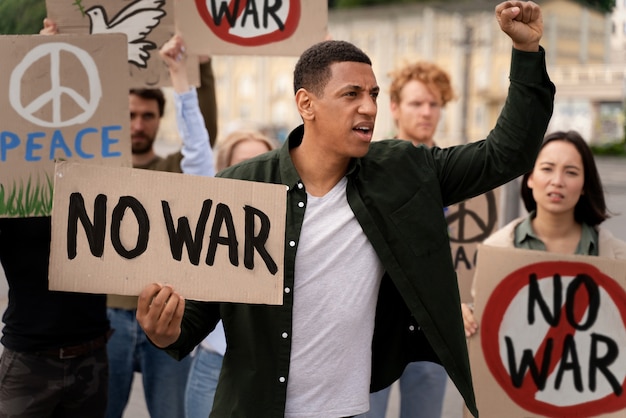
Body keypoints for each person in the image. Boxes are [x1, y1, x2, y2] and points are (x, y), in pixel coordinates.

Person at [136, 2, 554, 417]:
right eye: (351, 94)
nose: (369, 107)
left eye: (372, 94)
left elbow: (507, 154)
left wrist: (527, 54)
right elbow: (195, 319)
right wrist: (162, 329)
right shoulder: (240, 188)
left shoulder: (404, 171)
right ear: (307, 104)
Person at [105, 35, 214, 418]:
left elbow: (205, 139)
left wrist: (201, 66)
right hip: (109, 319)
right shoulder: (101, 174)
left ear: (158, 120)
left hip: (168, 313)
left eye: (147, 116)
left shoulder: (171, 170)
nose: (138, 124)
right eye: (131, 114)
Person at [461, 130, 626, 338]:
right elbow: (487, 323)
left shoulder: (618, 256)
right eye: (547, 169)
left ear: (585, 185)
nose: (557, 181)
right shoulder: (497, 249)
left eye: (571, 172)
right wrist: (467, 315)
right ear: (529, 178)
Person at [363, 61, 455, 418]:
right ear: (396, 108)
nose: (427, 112)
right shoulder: (368, 170)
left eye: (434, 104)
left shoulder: (456, 173)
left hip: (432, 324)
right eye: (417, 103)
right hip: (375, 321)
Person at [185, 129, 279, 418]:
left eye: (264, 162)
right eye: (244, 163)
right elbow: (196, 155)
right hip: (214, 366)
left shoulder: (288, 231)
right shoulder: (206, 224)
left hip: (269, 372)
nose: (254, 171)